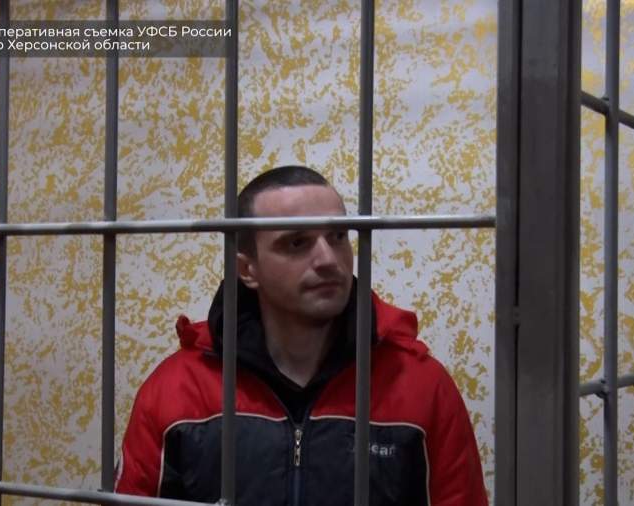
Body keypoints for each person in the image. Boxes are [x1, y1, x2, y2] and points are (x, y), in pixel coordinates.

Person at [115, 165, 487, 505]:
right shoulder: (176, 392)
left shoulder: (421, 386)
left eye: (337, 236)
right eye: (297, 243)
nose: (328, 259)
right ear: (247, 270)